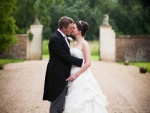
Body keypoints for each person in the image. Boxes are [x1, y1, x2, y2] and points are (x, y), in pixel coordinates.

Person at [63, 21, 108, 113]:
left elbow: (88, 63)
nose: (72, 29)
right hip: (71, 72)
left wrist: (76, 75)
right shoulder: (74, 43)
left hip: (81, 75)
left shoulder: (84, 44)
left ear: (79, 31)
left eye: (74, 28)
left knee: (83, 101)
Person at [43, 16, 84, 113]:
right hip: (58, 75)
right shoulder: (56, 39)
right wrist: (83, 62)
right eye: (70, 28)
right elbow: (65, 57)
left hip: (63, 74)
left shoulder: (62, 36)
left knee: (62, 104)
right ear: (63, 28)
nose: (72, 29)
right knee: (57, 105)